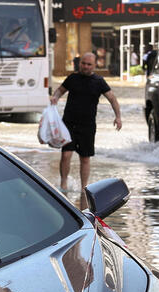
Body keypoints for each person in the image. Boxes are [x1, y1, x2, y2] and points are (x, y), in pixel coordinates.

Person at [49, 52, 122, 194]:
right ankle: (63, 184)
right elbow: (59, 91)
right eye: (83, 63)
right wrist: (55, 98)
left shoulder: (99, 81)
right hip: (68, 123)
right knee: (66, 155)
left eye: (89, 64)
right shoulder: (72, 78)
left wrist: (118, 117)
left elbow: (112, 99)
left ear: (95, 65)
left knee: (85, 158)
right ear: (80, 63)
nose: (85, 66)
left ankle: (84, 188)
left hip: (87, 125)